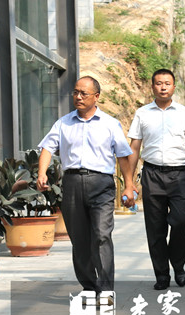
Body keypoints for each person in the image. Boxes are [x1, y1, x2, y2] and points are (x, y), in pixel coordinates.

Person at [37, 76, 135, 302]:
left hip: (101, 185)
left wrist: (129, 186)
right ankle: (90, 287)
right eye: (75, 92)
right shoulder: (63, 123)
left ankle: (106, 289)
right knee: (79, 240)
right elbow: (47, 148)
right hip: (71, 184)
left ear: (96, 96)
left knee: (101, 235)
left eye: (84, 93)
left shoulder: (110, 124)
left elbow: (123, 156)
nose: (78, 97)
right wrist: (42, 173)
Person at [127, 69, 185, 291]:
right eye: (159, 83)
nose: (163, 87)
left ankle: (178, 265)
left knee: (180, 222)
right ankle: (161, 274)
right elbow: (134, 147)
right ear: (152, 87)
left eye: (167, 83)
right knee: (155, 227)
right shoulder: (142, 113)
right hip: (152, 175)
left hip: (179, 175)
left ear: (173, 87)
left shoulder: (184, 113)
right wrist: (129, 182)